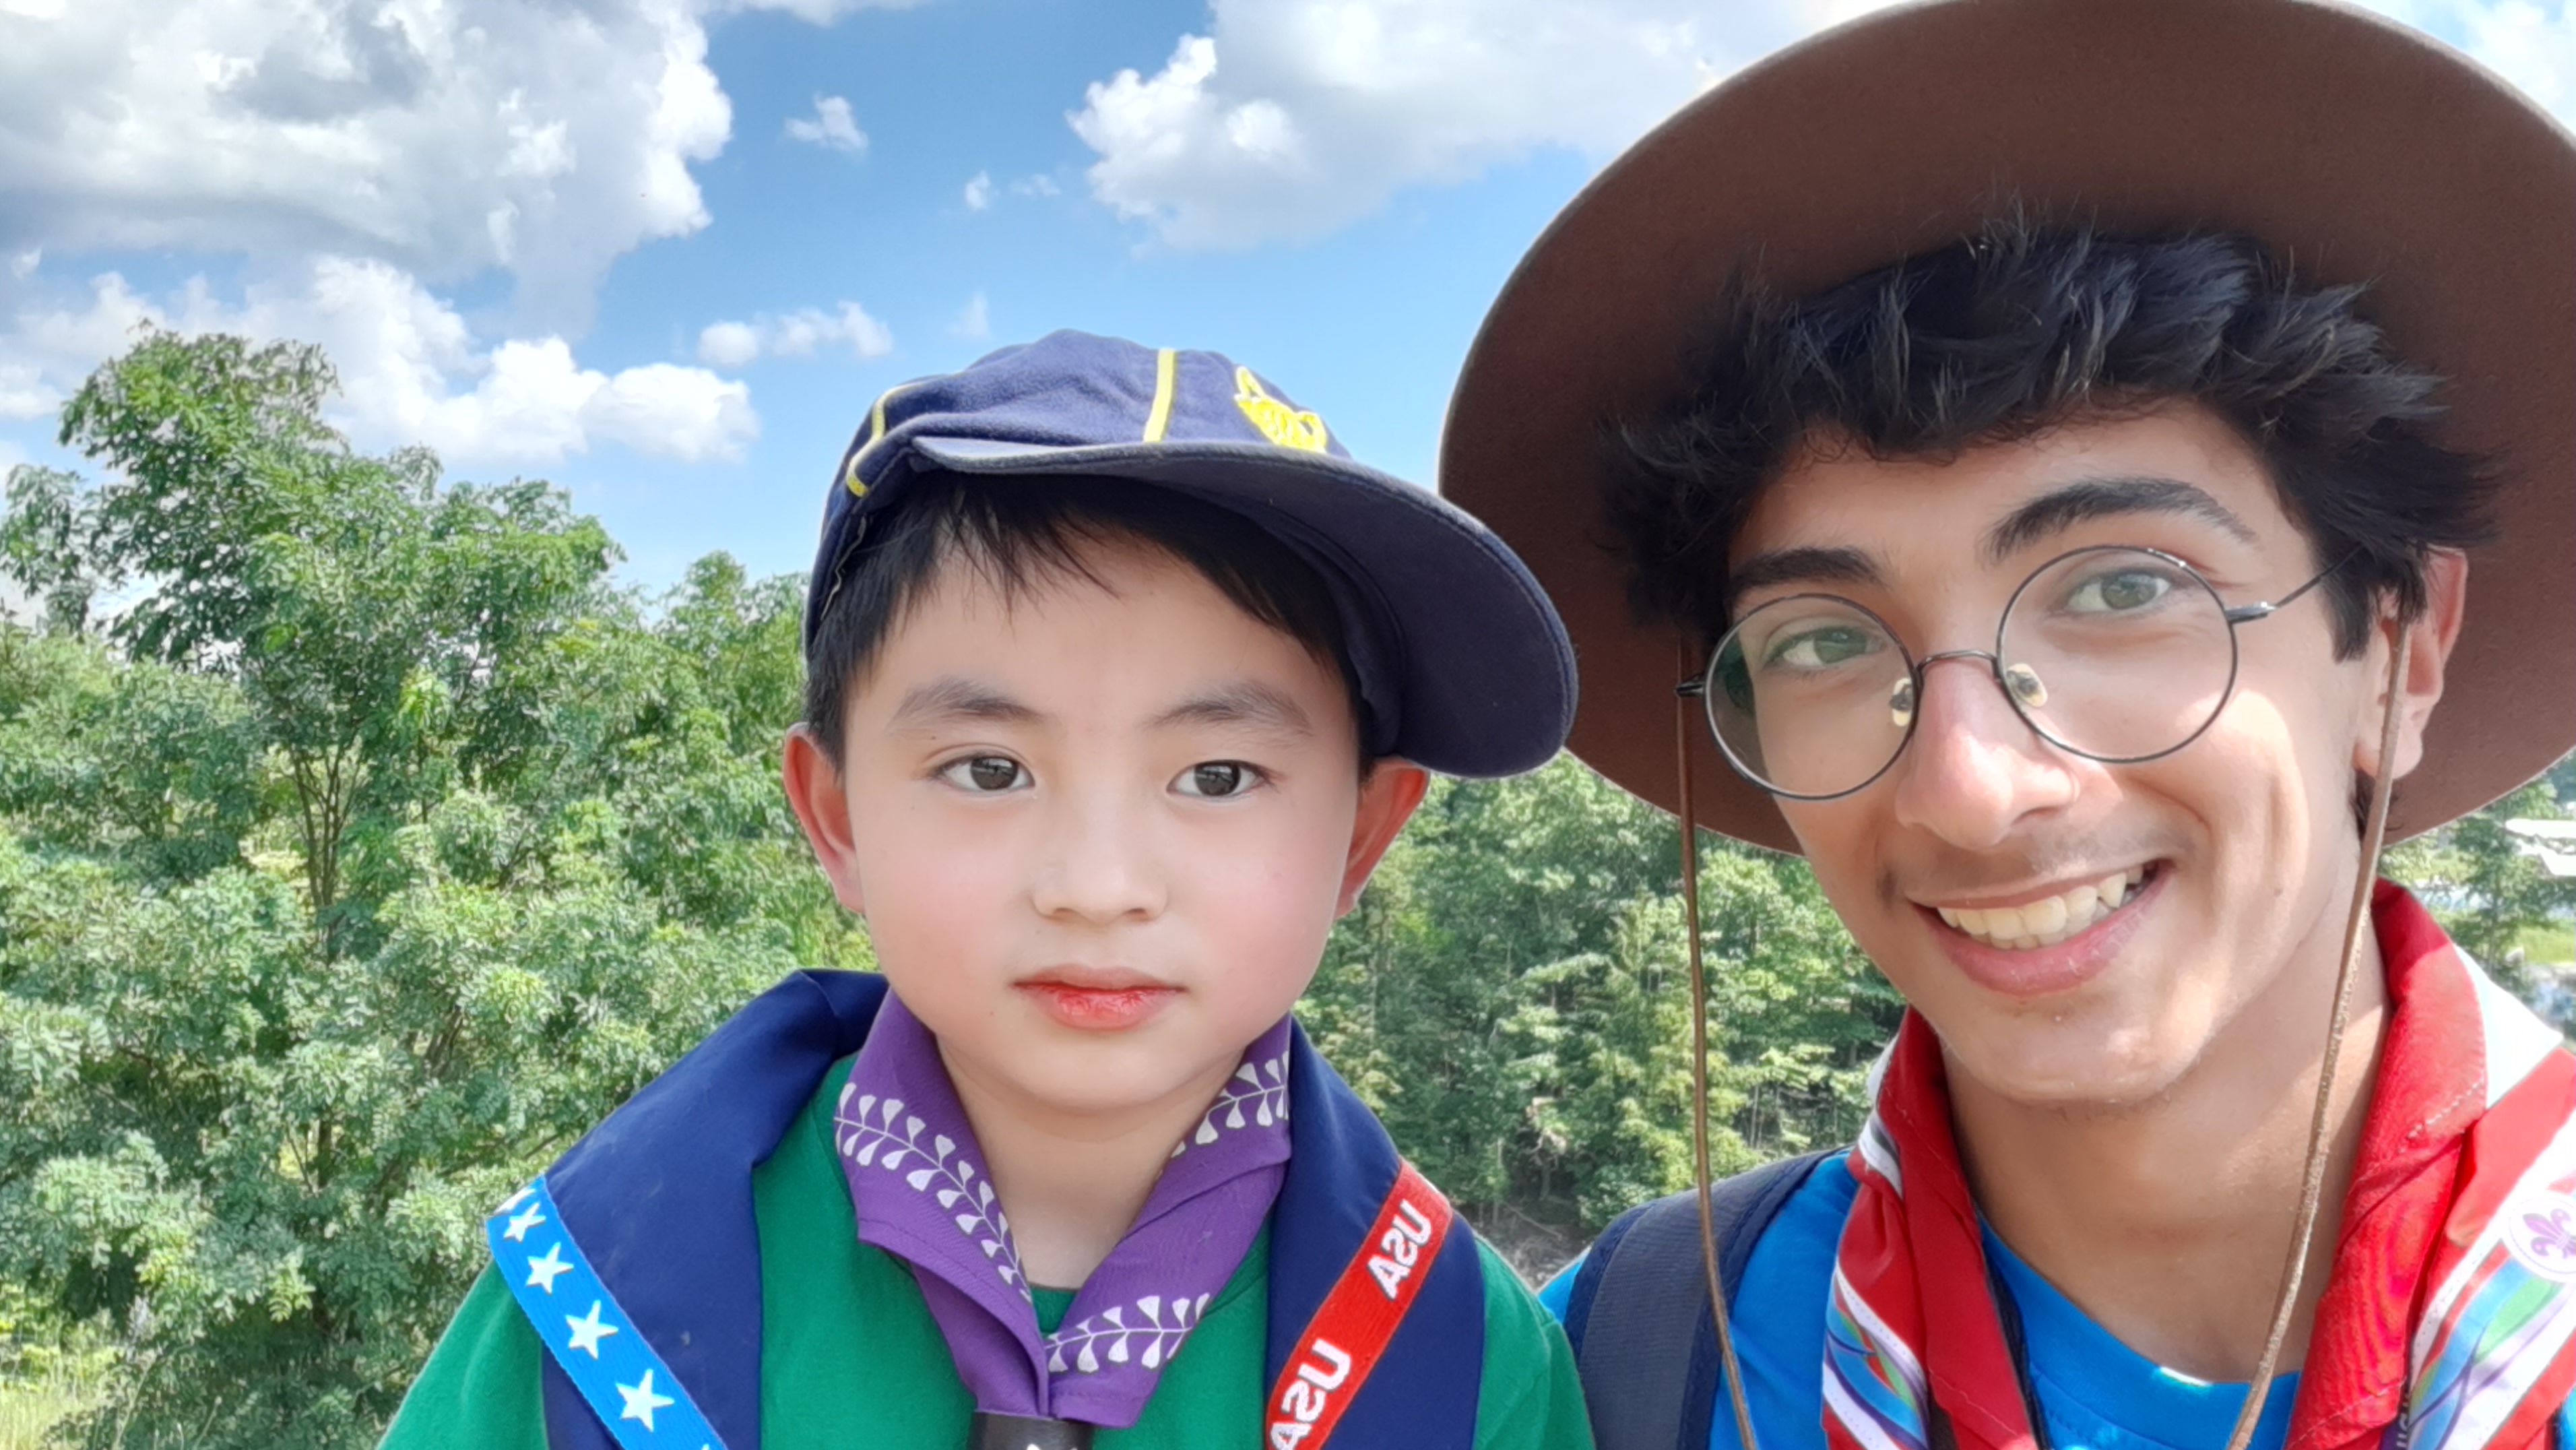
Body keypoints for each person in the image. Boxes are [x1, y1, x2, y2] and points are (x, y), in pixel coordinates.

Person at [1437, 3, 2576, 1450]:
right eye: (1822, 640)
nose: (1969, 789)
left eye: (2120, 585)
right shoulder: (1635, 1354)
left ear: (2400, 650)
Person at [378, 331, 1595, 1450]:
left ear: (1363, 837)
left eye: (1219, 775)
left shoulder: (1466, 1365)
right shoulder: (594, 1301)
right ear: (838, 817)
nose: (1098, 887)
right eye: (990, 768)